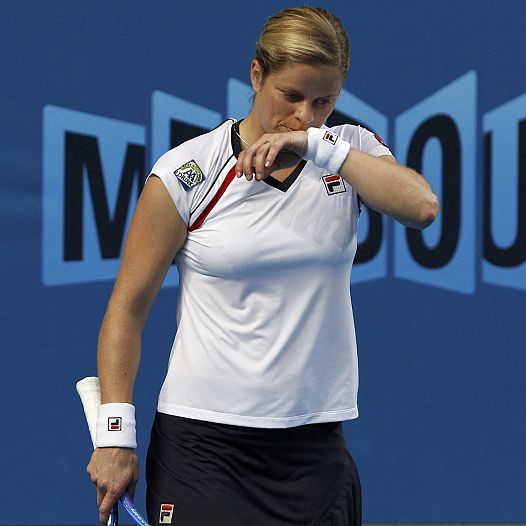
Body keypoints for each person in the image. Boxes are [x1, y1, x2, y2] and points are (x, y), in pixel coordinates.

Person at [85, 6, 438, 525]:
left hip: (314, 448)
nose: (304, 114)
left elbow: (422, 207)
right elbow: (127, 308)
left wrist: (317, 147)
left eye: (324, 101)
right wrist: (115, 434)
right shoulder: (188, 173)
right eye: (290, 96)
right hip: (203, 449)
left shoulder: (348, 151)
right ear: (256, 76)